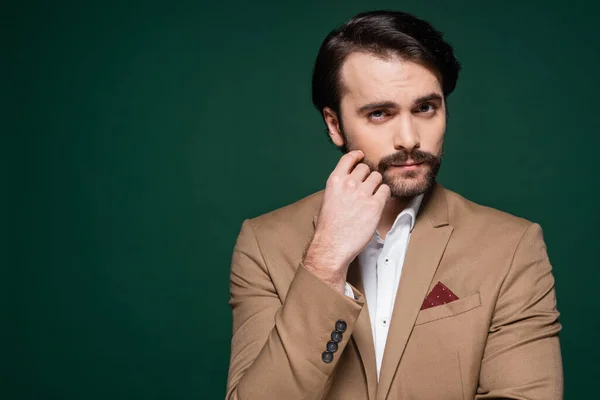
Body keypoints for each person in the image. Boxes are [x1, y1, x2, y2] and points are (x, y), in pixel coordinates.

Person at [225, 10, 563, 400]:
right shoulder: (264, 244)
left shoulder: (512, 246)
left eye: (425, 108)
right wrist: (326, 259)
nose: (409, 138)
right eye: (380, 113)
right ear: (335, 124)